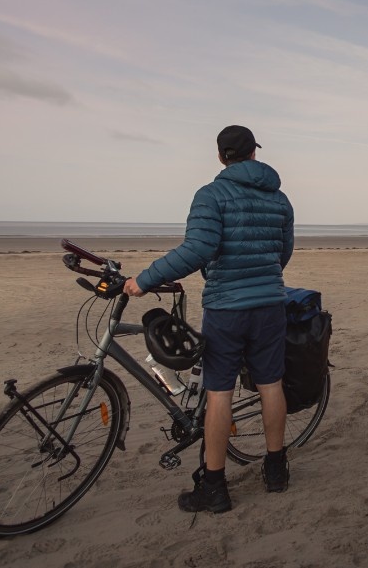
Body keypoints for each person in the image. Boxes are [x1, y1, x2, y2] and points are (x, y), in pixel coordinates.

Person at [123, 125, 294, 514]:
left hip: (227, 308)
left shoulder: (211, 195)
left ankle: (215, 487)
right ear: (253, 154)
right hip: (270, 304)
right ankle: (276, 470)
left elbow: (198, 249)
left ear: (221, 157)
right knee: (270, 384)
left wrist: (144, 281)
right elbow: (281, 255)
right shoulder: (280, 199)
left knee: (219, 392)